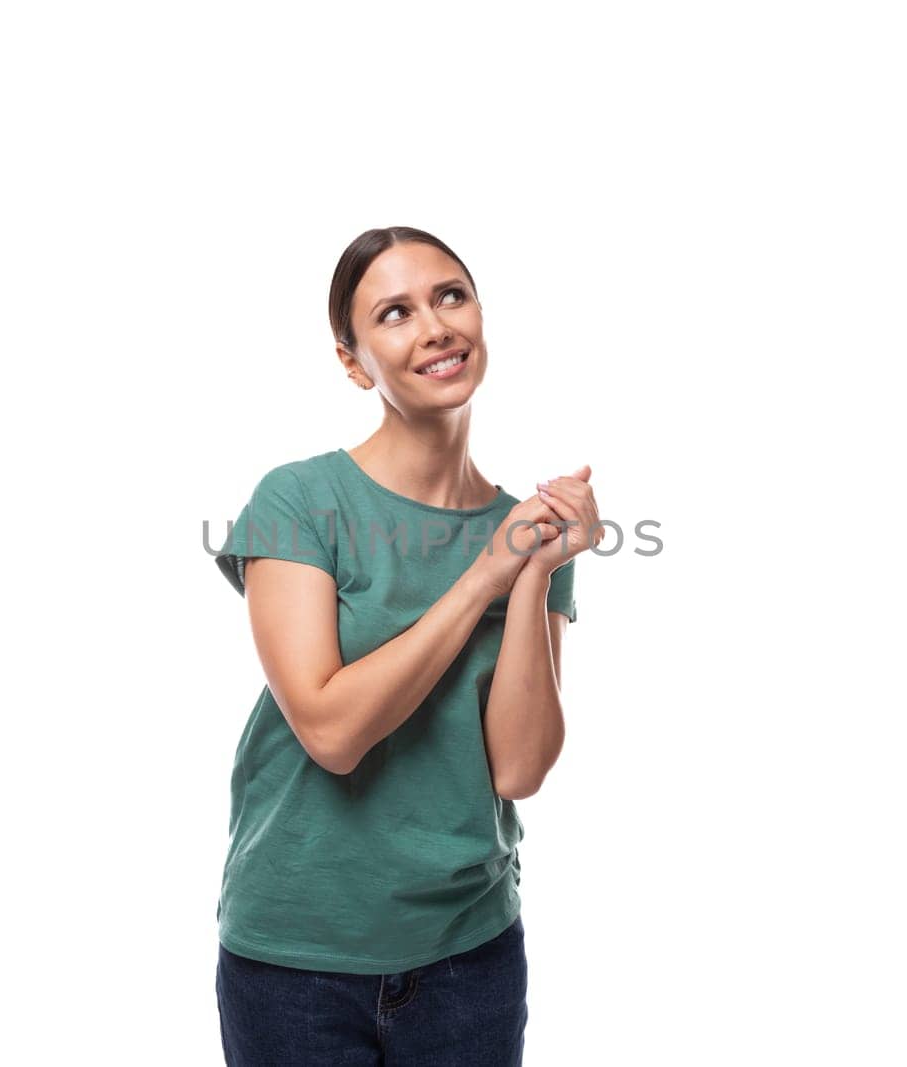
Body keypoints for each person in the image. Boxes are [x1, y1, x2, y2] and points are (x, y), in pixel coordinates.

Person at [210, 226, 602, 1065]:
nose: (434, 326)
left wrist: (532, 576)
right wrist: (482, 578)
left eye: (450, 296)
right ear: (355, 363)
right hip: (296, 962)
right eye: (395, 312)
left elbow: (520, 769)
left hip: (471, 955)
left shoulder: (524, 533)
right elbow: (331, 731)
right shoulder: (299, 501)